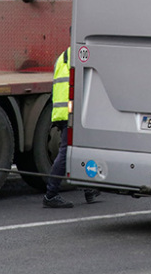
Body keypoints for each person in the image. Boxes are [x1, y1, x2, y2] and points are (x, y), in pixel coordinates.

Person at [43, 47, 99, 209]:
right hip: (70, 113)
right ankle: (51, 194)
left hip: (63, 111)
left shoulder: (63, 56)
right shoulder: (79, 54)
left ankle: (89, 189)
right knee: (66, 151)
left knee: (81, 149)